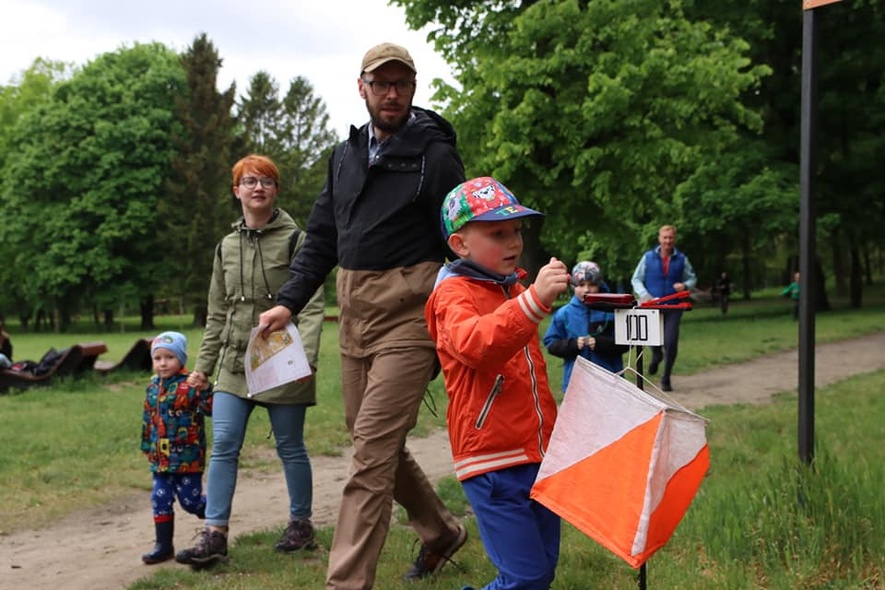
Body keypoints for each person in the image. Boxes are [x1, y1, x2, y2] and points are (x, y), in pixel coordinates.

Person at [258, 42, 467, 589]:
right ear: (362, 88)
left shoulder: (435, 157)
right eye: (381, 83)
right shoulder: (344, 156)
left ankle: (345, 583)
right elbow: (322, 237)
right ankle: (441, 531)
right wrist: (287, 302)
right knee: (367, 438)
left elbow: (461, 237)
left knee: (370, 455)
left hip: (410, 318)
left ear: (413, 89)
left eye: (401, 83)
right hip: (355, 318)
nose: (391, 93)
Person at [175, 154, 325, 568]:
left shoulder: (297, 241)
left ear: (276, 191)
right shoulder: (225, 247)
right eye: (250, 181)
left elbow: (312, 304)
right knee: (224, 444)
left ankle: (301, 525)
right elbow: (217, 313)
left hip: (283, 362)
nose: (258, 188)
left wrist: (307, 358)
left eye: (267, 182)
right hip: (233, 364)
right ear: (236, 191)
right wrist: (202, 368)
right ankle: (215, 534)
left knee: (290, 446)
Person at [425, 176, 569, 590]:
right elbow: (476, 344)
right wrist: (533, 301)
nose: (513, 242)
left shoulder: (511, 289)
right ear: (460, 245)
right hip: (491, 461)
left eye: (516, 230)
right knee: (527, 576)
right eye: (497, 233)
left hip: (536, 453)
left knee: (542, 571)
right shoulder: (452, 294)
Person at [140, 331, 212, 565]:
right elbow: (148, 417)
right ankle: (163, 546)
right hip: (160, 459)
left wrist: (205, 388)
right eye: (157, 358)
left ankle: (216, 519)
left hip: (187, 458)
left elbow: (210, 409)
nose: (163, 363)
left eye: (169, 357)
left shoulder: (190, 384)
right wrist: (146, 444)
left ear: (181, 358)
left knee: (190, 501)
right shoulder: (153, 386)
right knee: (159, 499)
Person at [630, 224, 697, 392]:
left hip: (674, 306)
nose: (668, 241)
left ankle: (666, 378)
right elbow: (636, 279)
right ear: (659, 238)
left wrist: (685, 285)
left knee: (670, 342)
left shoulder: (682, 259)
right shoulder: (648, 257)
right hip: (652, 306)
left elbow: (692, 278)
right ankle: (656, 355)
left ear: (675, 239)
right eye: (665, 237)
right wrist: (644, 294)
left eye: (671, 237)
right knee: (652, 340)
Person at [544, 261, 629, 392]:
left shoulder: (612, 312)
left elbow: (626, 343)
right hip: (576, 383)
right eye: (581, 285)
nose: (586, 290)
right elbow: (551, 343)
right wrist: (573, 344)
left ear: (599, 284)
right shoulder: (564, 314)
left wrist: (601, 343)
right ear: (573, 286)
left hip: (609, 382)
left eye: (592, 285)